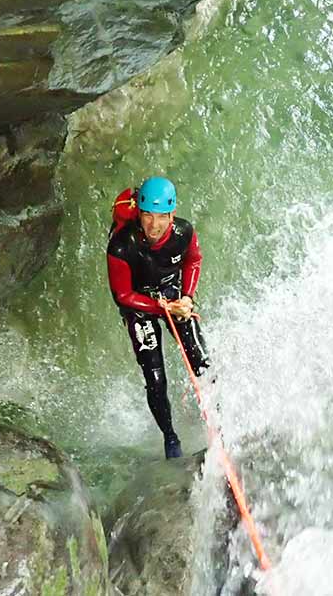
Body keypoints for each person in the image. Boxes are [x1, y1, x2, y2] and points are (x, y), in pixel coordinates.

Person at [106, 176, 211, 459]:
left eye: (161, 217)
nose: (154, 225)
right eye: (148, 216)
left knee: (200, 359)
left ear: (172, 215)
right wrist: (161, 307)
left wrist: (187, 298)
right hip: (139, 303)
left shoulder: (183, 233)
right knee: (155, 377)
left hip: (171, 291)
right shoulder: (120, 246)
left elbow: (193, 260)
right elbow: (123, 296)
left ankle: (217, 418)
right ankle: (171, 438)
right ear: (139, 213)